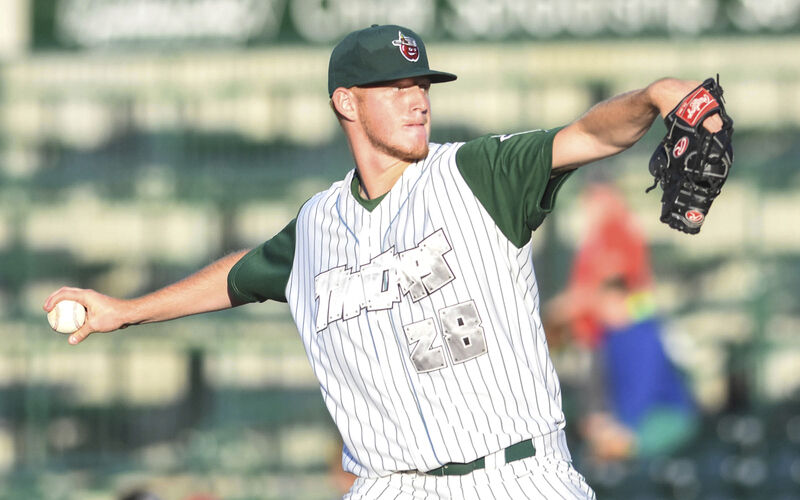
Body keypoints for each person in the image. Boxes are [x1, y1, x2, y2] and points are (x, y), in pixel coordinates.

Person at [44, 24, 722, 499]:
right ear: (347, 102)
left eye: (420, 82)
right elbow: (235, 276)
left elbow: (588, 135)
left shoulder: (478, 175)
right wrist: (125, 312)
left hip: (516, 478)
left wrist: (657, 94)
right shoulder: (316, 228)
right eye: (394, 86)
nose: (417, 97)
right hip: (385, 487)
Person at [546, 184, 698, 462]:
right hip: (608, 359)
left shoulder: (621, 233)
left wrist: (618, 431)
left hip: (659, 420)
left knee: (612, 448)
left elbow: (642, 390)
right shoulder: (609, 333)